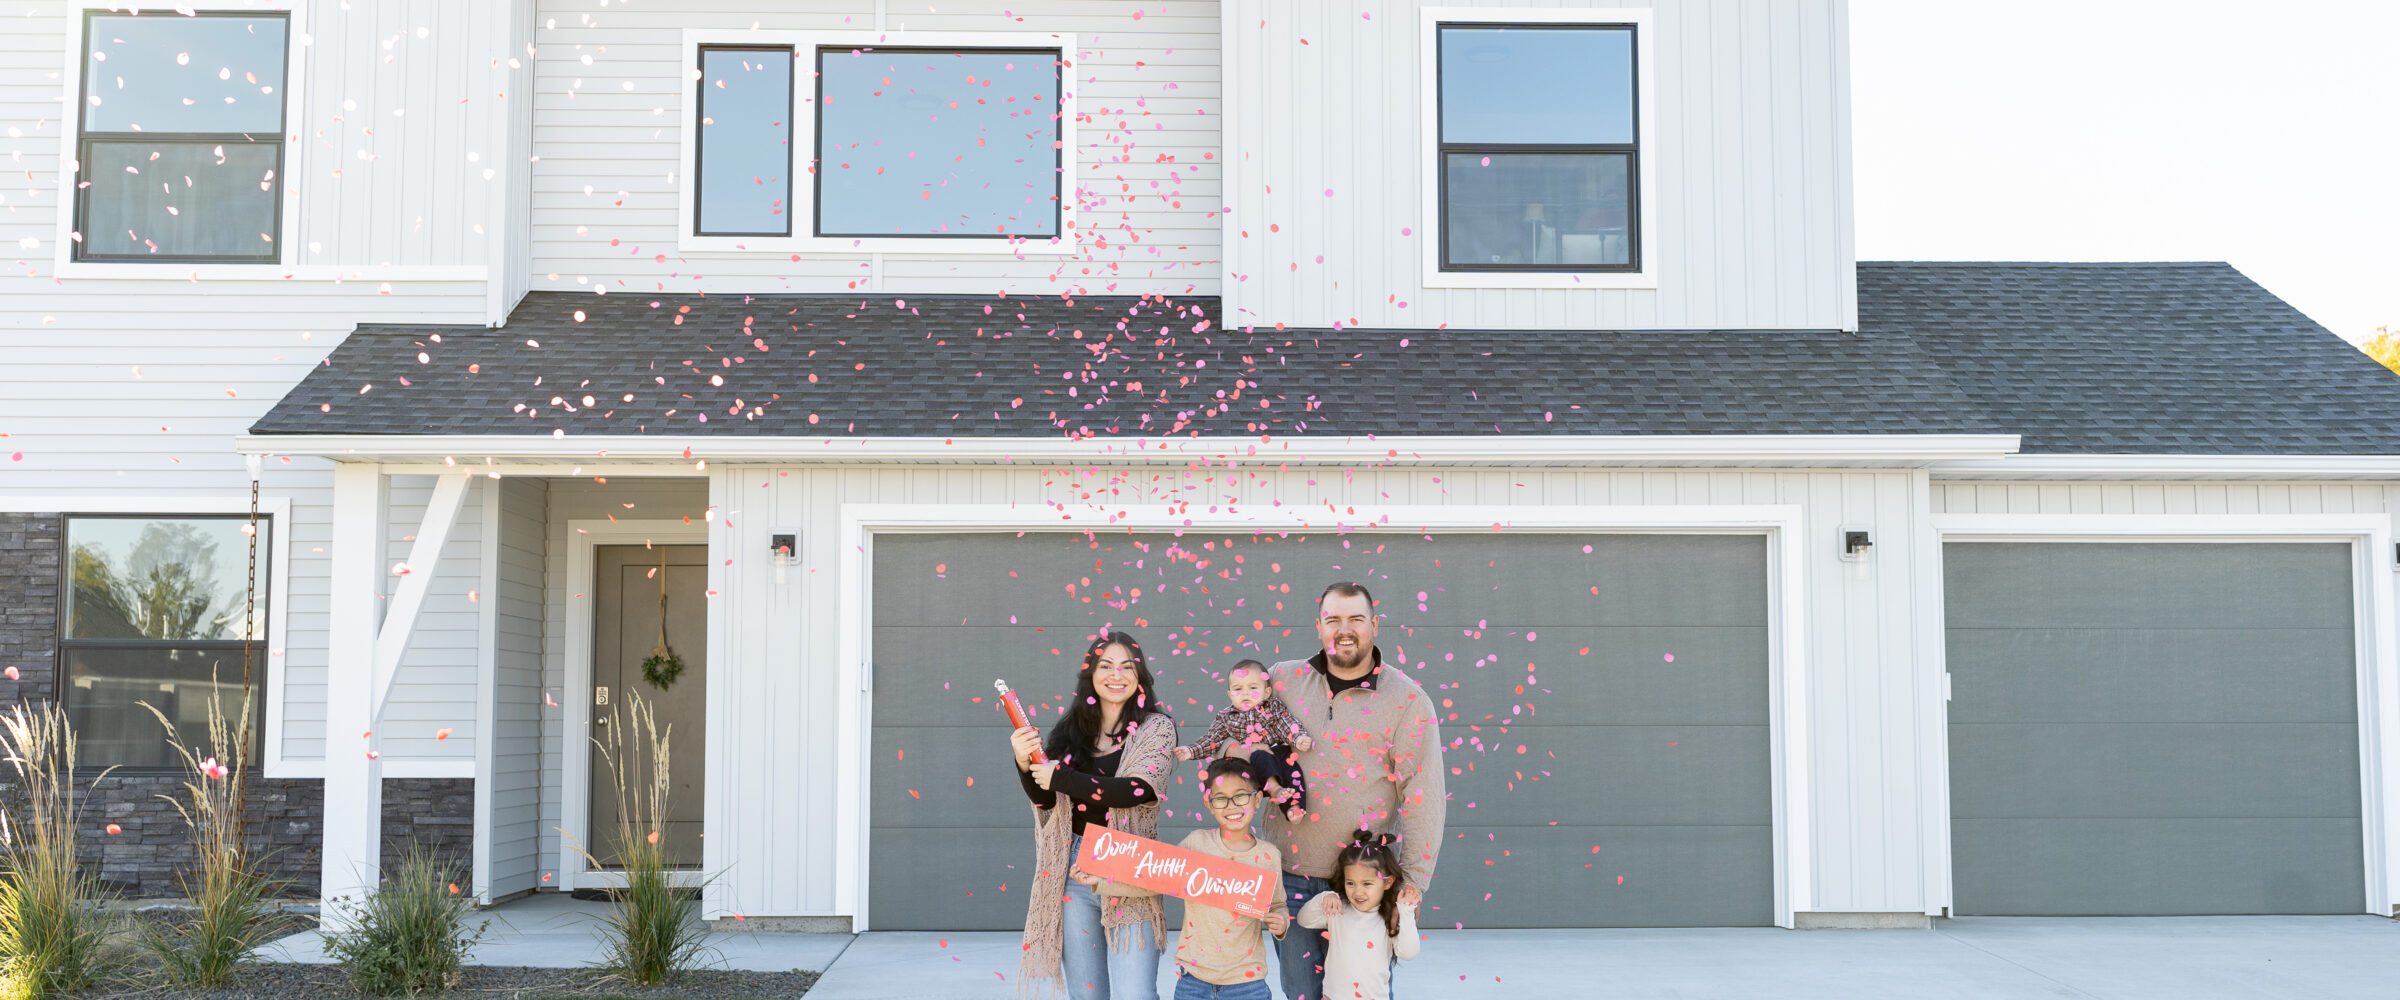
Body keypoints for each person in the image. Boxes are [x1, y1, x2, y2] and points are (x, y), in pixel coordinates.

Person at [1262, 582, 1445, 1000]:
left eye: (1356, 619)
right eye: (1333, 620)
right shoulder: (1282, 680)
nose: (1344, 630)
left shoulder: (1409, 700)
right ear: (1319, 626)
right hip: (1291, 875)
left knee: (1364, 992)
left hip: (1367, 883)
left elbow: (1424, 797)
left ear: (1375, 625)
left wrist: (1410, 884)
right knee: (1302, 992)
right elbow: (1240, 737)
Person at [1012, 631, 1176, 1000]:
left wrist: (1064, 777)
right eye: (1106, 666)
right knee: (1087, 995)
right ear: (1090, 675)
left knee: (1135, 993)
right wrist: (1024, 764)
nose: (1116, 675)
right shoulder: (1069, 732)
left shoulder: (1156, 728)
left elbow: (1138, 791)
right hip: (1073, 867)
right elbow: (1047, 800)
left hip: (1130, 867)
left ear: (1140, 677)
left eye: (1127, 666)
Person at [1166, 758, 1293, 999]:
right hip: (1194, 979)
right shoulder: (1196, 843)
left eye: (1240, 796)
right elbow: (1155, 873)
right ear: (1210, 804)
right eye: (1221, 798)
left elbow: (1278, 904)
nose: (1231, 806)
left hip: (1246, 983)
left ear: (1257, 799)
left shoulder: (1268, 856)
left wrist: (1281, 922)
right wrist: (1101, 878)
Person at [1174, 659, 1315, 822]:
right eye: (1238, 689)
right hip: (1254, 761)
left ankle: (1294, 808)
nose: (1245, 693)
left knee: (1293, 773)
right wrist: (1190, 751)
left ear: (1267, 692)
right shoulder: (1226, 716)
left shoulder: (1273, 707)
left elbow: (1287, 723)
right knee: (1260, 756)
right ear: (1230, 694)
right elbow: (1212, 740)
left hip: (1280, 752)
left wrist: (1298, 738)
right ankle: (1275, 789)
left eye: (1253, 688)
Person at [1294, 830, 1421, 1000]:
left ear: (1387, 882)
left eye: (1367, 883)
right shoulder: (1338, 910)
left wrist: (1406, 912)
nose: (1358, 891)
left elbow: (1408, 953)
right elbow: (1304, 920)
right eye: (1350, 883)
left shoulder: (1389, 917)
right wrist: (1324, 898)